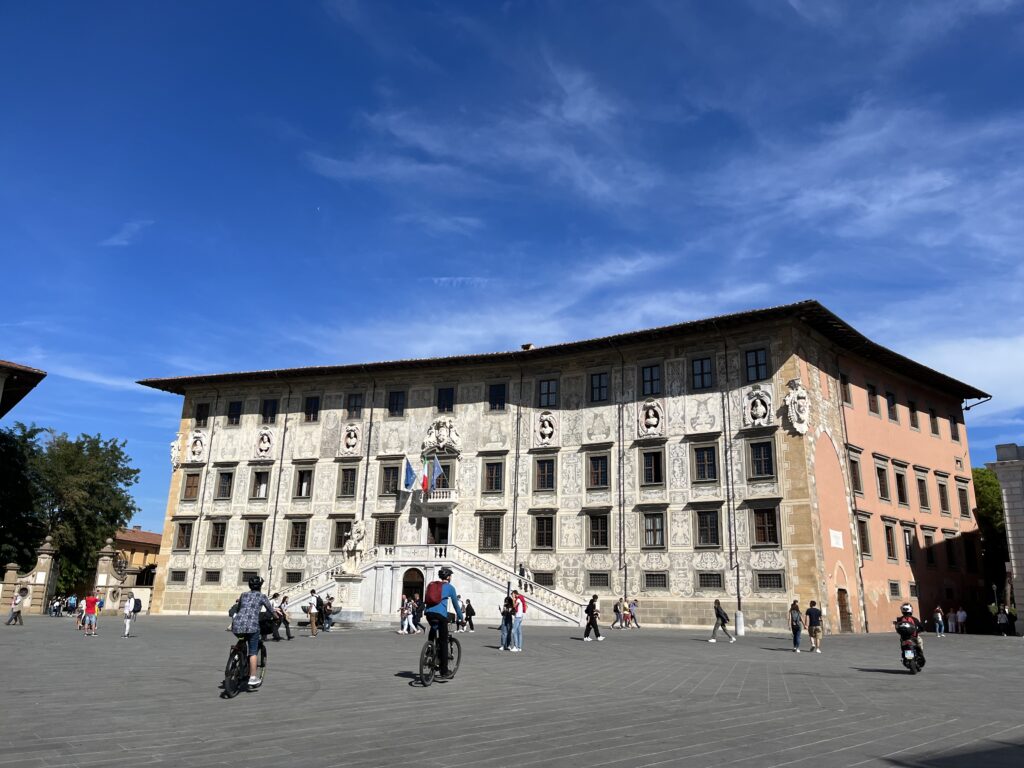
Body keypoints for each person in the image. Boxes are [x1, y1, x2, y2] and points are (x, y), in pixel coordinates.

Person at [231, 576, 275, 689]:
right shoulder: (262, 596)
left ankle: (236, 655)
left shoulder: (243, 595)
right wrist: (273, 617)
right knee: (253, 652)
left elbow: (240, 607)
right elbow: (270, 610)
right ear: (260, 586)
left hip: (236, 624)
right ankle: (252, 678)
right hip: (252, 626)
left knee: (241, 638)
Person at [425, 567, 463, 678]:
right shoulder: (450, 588)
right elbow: (456, 605)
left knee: (433, 627)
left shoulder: (433, 585)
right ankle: (444, 670)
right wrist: (461, 618)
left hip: (428, 613)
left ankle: (429, 648)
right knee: (443, 641)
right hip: (440, 615)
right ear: (448, 577)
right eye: (450, 576)